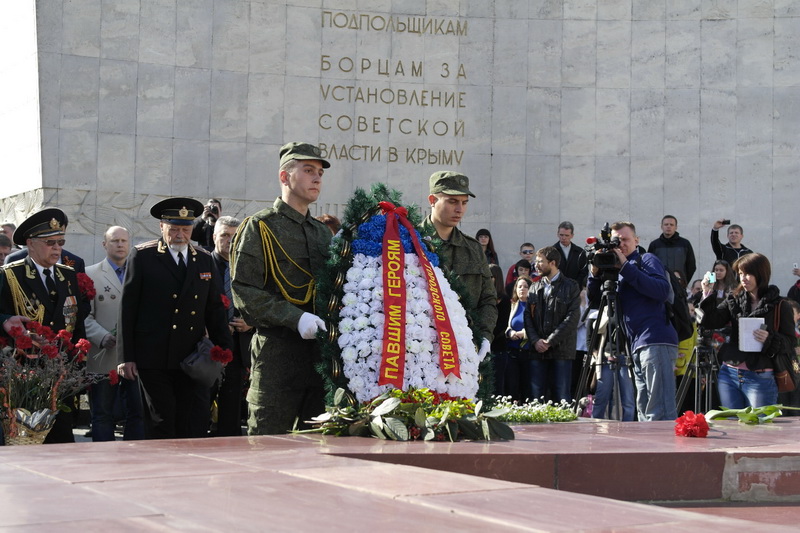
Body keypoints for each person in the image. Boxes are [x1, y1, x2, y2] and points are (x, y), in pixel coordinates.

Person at [230, 142, 332, 435]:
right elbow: (245, 292)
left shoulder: (321, 233)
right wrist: (295, 318)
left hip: (320, 363)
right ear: (285, 177)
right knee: (267, 448)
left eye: (320, 173)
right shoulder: (260, 227)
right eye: (308, 170)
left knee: (320, 452)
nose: (317, 179)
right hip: (277, 360)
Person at [119, 197, 232, 439]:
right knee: (162, 421)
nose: (180, 235)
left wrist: (224, 348)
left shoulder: (203, 258)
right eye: (174, 229)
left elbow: (214, 308)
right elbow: (128, 309)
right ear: (162, 227)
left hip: (191, 357)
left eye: (186, 229)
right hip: (154, 357)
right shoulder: (143, 256)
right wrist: (126, 357)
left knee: (192, 422)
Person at [0, 208, 89, 443]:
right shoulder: (11, 275)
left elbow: (77, 323)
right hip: (23, 374)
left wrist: (78, 366)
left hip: (60, 374)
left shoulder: (68, 276)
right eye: (50, 242)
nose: (57, 248)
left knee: (62, 440)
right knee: (25, 441)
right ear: (30, 243)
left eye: (60, 242)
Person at [588, 221, 679, 421]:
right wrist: (595, 274)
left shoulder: (646, 260)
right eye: (616, 241)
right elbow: (595, 301)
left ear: (636, 241)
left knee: (659, 411)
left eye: (625, 240)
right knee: (644, 412)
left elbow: (661, 291)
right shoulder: (620, 271)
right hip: (637, 345)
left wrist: (626, 267)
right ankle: (649, 451)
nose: (620, 245)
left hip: (656, 340)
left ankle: (666, 451)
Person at [698, 253, 793, 409]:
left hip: (760, 375)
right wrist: (707, 293)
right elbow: (710, 321)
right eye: (741, 273)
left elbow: (790, 342)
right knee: (732, 427)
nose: (743, 278)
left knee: (759, 427)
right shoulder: (734, 298)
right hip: (729, 373)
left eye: (748, 273)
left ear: (761, 274)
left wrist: (769, 338)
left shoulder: (780, 305)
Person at [422, 171, 497, 357]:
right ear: (432, 200)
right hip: (419, 349)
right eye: (452, 201)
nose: (460, 209)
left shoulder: (473, 248)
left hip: (464, 350)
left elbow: (488, 299)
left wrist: (485, 337)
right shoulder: (409, 241)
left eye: (464, 203)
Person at [83, 226, 144, 441]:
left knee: (137, 412)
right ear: (104, 244)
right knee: (102, 414)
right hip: (103, 354)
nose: (120, 245)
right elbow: (85, 316)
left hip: (133, 355)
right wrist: (102, 336)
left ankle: (134, 455)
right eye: (115, 240)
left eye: (124, 241)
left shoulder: (140, 271)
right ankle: (102, 458)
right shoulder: (90, 274)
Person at [210, 215, 252, 436]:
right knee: (201, 400)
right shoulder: (202, 264)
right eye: (225, 235)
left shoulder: (248, 268)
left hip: (238, 346)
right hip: (206, 347)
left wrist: (251, 322)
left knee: (232, 402)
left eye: (234, 237)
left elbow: (262, 300)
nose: (229, 241)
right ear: (214, 236)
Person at [524, 246, 581, 403]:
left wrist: (550, 341)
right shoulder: (534, 287)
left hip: (562, 350)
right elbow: (528, 316)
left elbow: (572, 318)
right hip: (537, 351)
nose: (536, 265)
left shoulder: (571, 286)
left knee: (562, 395)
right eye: (536, 261)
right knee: (536, 397)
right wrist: (536, 341)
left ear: (553, 263)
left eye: (540, 261)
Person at [504, 276, 532, 401]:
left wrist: (522, 334)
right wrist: (510, 333)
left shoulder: (533, 306)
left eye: (526, 287)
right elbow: (507, 325)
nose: (522, 289)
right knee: (512, 387)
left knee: (526, 387)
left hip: (528, 352)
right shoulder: (513, 305)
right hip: (512, 352)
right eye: (520, 286)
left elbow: (537, 327)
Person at [647, 215, 696, 283]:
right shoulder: (654, 245)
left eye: (671, 225)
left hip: (679, 285)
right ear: (661, 227)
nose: (668, 226)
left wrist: (684, 281)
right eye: (666, 224)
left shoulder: (685, 244)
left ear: (676, 227)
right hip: (660, 284)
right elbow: (649, 266)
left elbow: (691, 266)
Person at [489, 264, 512, 398]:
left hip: (497, 346)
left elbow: (502, 325)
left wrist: (487, 338)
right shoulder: (483, 297)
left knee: (498, 384)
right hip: (485, 346)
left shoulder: (504, 300)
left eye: (490, 276)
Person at [553, 221, 588, 288]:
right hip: (556, 288)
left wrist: (576, 285)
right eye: (561, 235)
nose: (563, 238)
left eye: (567, 235)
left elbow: (584, 272)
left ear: (572, 235)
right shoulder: (552, 251)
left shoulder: (580, 252)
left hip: (575, 289)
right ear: (557, 234)